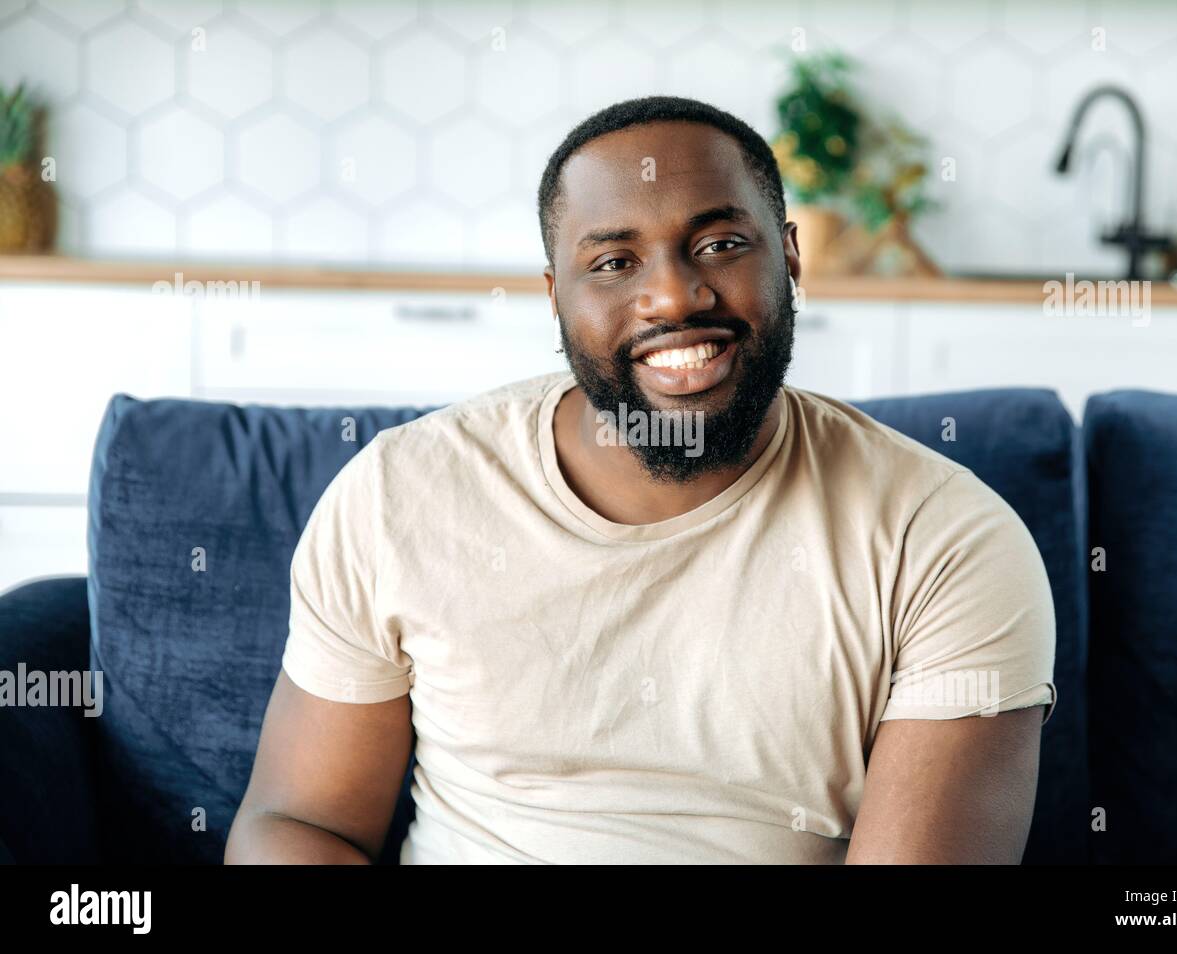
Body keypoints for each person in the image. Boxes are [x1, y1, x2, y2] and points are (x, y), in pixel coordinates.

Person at [225, 96, 1056, 865]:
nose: (673, 296)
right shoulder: (397, 494)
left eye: (720, 245)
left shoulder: (949, 541)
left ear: (792, 260)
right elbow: (301, 822)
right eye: (615, 262)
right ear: (557, 299)